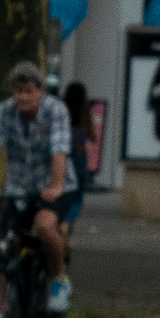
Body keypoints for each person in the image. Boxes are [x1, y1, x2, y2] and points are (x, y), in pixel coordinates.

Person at [0, 60, 73, 316]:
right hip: (19, 187)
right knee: (8, 245)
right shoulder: (5, 111)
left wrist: (56, 187)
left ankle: (59, 280)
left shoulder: (56, 111)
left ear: (41, 91)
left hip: (54, 186)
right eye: (18, 91)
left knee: (46, 226)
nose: (22, 97)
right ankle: (2, 313)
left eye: (28, 92)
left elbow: (59, 152)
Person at [58, 80, 93, 239]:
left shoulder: (59, 109)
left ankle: (59, 223)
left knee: (59, 191)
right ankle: (66, 224)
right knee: (77, 196)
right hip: (78, 156)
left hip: (60, 155)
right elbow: (94, 137)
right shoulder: (84, 111)